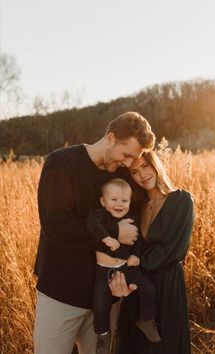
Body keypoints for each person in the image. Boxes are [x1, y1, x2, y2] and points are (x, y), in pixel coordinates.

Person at [33, 112, 156, 354]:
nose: (130, 163)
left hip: (105, 298)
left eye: (135, 158)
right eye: (127, 155)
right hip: (61, 295)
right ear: (110, 138)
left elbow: (133, 225)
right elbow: (56, 225)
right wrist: (113, 231)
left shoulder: (121, 175)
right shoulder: (61, 163)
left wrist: (125, 276)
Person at [111, 150, 194, 354]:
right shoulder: (136, 207)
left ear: (155, 164)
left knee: (164, 346)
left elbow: (172, 250)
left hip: (167, 286)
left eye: (145, 166)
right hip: (137, 288)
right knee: (135, 345)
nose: (142, 175)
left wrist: (135, 262)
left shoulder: (181, 200)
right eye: (134, 171)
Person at [86, 178, 161, 354]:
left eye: (124, 200)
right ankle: (103, 335)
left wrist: (135, 254)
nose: (119, 204)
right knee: (101, 305)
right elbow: (92, 225)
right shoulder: (98, 215)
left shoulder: (131, 218)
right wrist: (108, 237)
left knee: (149, 288)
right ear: (103, 201)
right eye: (114, 200)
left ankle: (147, 320)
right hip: (103, 273)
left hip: (126, 268)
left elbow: (138, 240)